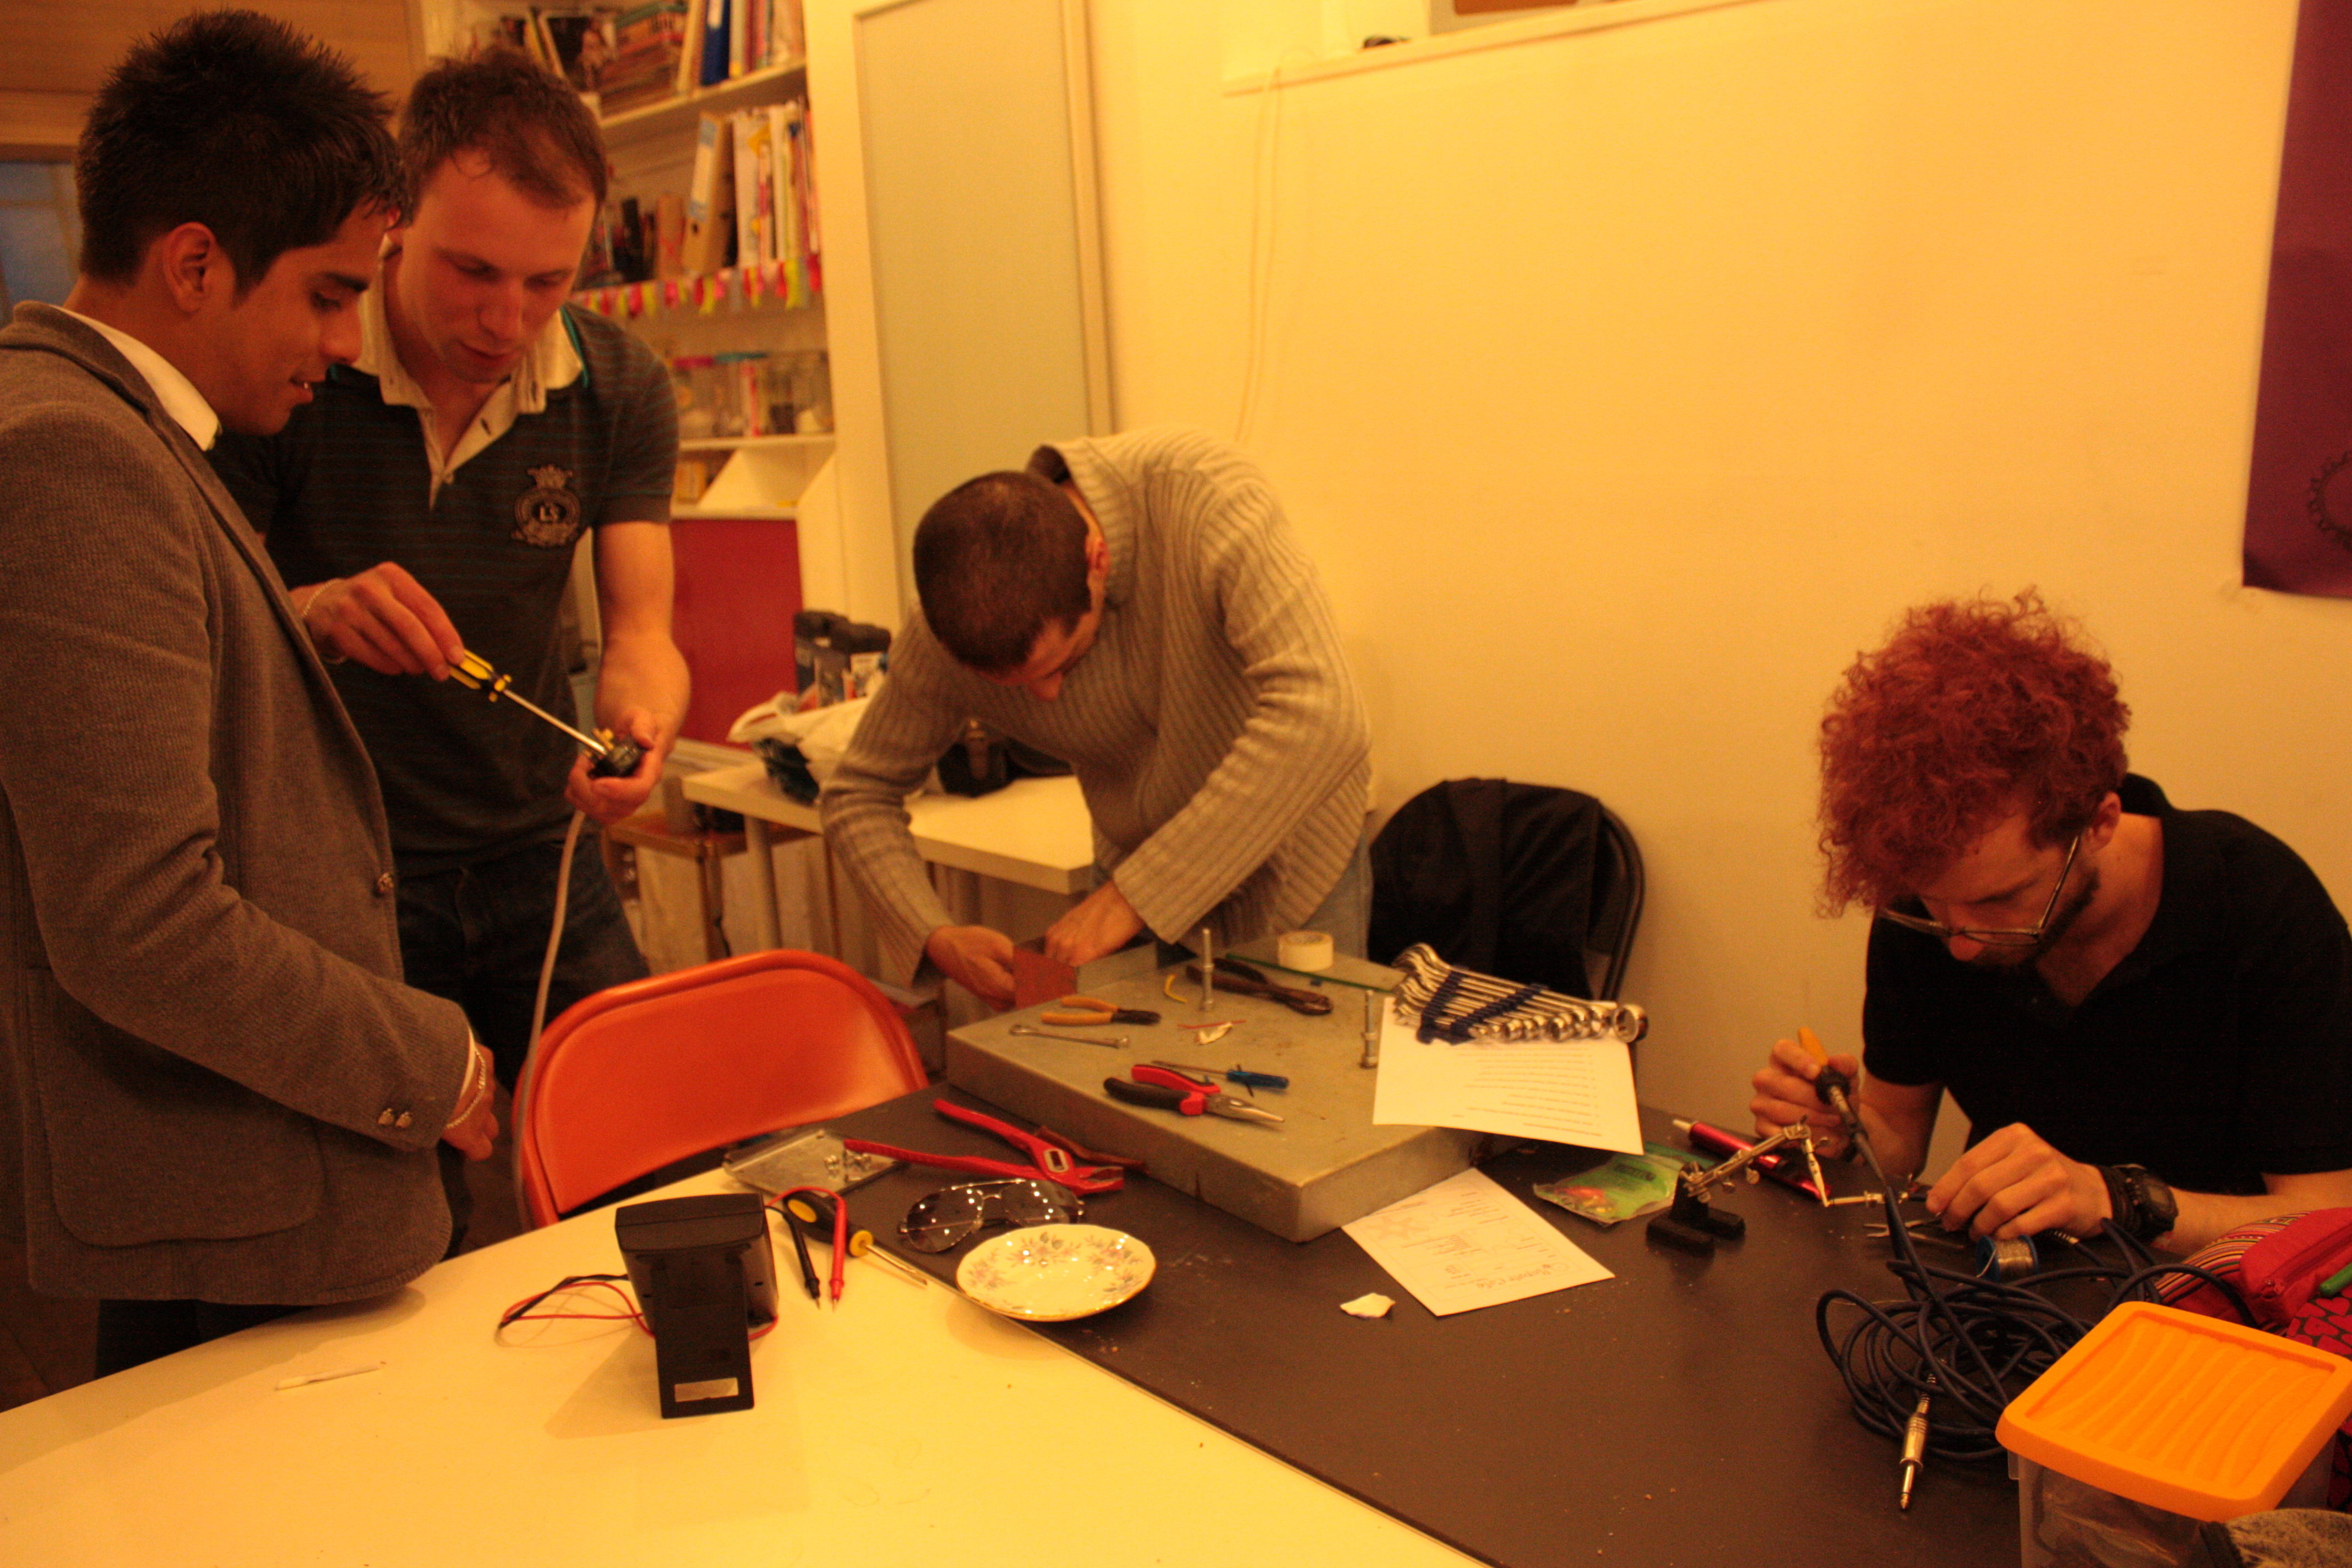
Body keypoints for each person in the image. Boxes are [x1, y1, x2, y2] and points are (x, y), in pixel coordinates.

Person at [0, 10, 494, 1376]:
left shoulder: (115, 433)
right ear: (196, 263)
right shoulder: (74, 457)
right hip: (210, 1208)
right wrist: (430, 1057)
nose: (346, 339)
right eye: (328, 293)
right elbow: (140, 919)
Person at [211, 51, 687, 1091]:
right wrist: (314, 608)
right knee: (398, 1171)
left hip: (541, 846)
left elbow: (643, 634)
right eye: (473, 272)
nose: (507, 322)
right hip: (342, 866)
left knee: (641, 1132)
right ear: (395, 222)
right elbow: (204, 624)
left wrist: (641, 724)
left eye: (547, 283)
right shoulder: (293, 369)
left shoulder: (620, 387)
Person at [1751, 592, 2352, 1255]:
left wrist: (2116, 1201)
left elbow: (2327, 1216)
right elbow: (1896, 1133)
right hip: (2008, 1283)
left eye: (2001, 902)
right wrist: (1838, 1133)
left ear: (2099, 824)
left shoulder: (2259, 906)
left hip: (2210, 1293)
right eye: (1935, 905)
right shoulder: (1932, 907)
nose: (1962, 943)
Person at [820, 427, 1370, 1007]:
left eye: (1064, 661)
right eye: (1012, 688)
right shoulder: (945, 630)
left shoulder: (1205, 498)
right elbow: (858, 795)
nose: (1048, 697)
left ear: (1097, 561)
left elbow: (1325, 716)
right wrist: (933, 934)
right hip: (1135, 880)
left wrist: (1136, 895)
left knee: (1317, 1060)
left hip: (1292, 865)